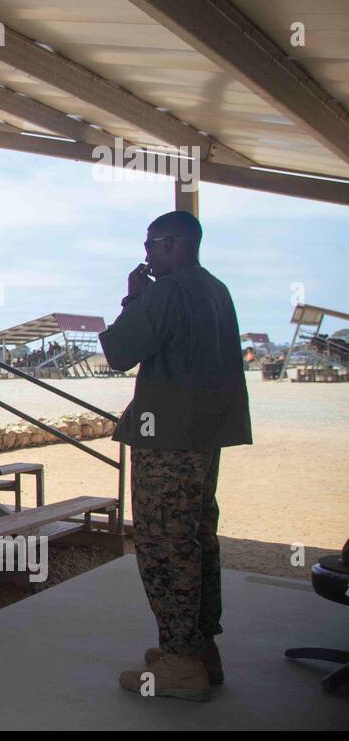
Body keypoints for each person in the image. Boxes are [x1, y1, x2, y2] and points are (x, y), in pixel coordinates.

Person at [99, 211, 251, 701]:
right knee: (198, 537)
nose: (145, 254)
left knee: (165, 544)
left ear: (172, 244)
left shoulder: (166, 291)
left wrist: (132, 298)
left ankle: (181, 662)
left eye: (150, 245)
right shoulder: (217, 290)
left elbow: (120, 352)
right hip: (203, 438)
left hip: (167, 440)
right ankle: (200, 648)